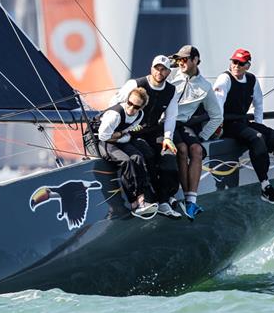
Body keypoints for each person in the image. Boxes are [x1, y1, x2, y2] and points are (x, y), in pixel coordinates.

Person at [213, 48, 274, 203]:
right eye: (234, 62)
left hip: (243, 123)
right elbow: (218, 105)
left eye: (240, 63)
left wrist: (258, 125)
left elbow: (258, 104)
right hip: (227, 125)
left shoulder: (252, 80)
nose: (236, 66)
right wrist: (217, 128)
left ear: (247, 65)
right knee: (257, 138)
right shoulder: (224, 79)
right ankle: (265, 187)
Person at [110, 55, 183, 219]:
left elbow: (171, 117)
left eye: (163, 69)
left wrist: (168, 138)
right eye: (157, 68)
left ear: (168, 72)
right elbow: (113, 104)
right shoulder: (136, 84)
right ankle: (151, 198)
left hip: (154, 131)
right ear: (151, 68)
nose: (160, 72)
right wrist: (116, 128)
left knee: (169, 156)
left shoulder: (171, 90)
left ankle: (165, 200)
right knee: (147, 155)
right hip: (133, 131)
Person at [168, 45, 224, 220]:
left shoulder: (205, 86)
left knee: (197, 150)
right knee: (182, 149)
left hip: (182, 124)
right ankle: (185, 198)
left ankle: (192, 201)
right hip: (164, 123)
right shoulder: (169, 75)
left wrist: (202, 137)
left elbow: (217, 116)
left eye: (184, 59)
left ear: (196, 60)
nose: (180, 62)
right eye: (179, 60)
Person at [92, 87, 158, 218]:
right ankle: (134, 202)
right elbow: (103, 137)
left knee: (138, 157)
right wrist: (120, 135)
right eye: (130, 103)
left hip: (118, 138)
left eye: (136, 107)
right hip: (101, 140)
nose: (131, 108)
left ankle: (142, 199)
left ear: (141, 108)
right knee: (126, 161)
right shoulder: (115, 115)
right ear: (127, 100)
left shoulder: (139, 115)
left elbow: (128, 131)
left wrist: (119, 135)